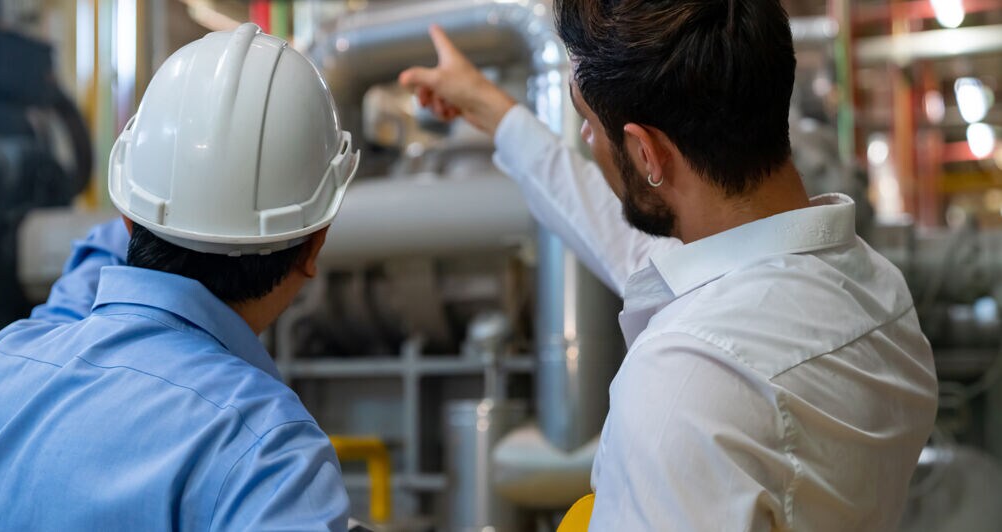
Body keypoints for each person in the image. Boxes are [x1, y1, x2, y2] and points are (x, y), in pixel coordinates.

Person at [399, 1, 938, 530]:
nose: (587, 141)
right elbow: (608, 225)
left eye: (587, 123)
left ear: (646, 153)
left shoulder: (687, 383)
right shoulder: (877, 291)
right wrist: (491, 108)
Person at [0, 24, 358, 531]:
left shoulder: (4, 366)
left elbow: (89, 278)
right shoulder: (270, 456)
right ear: (314, 245)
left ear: (126, 218)